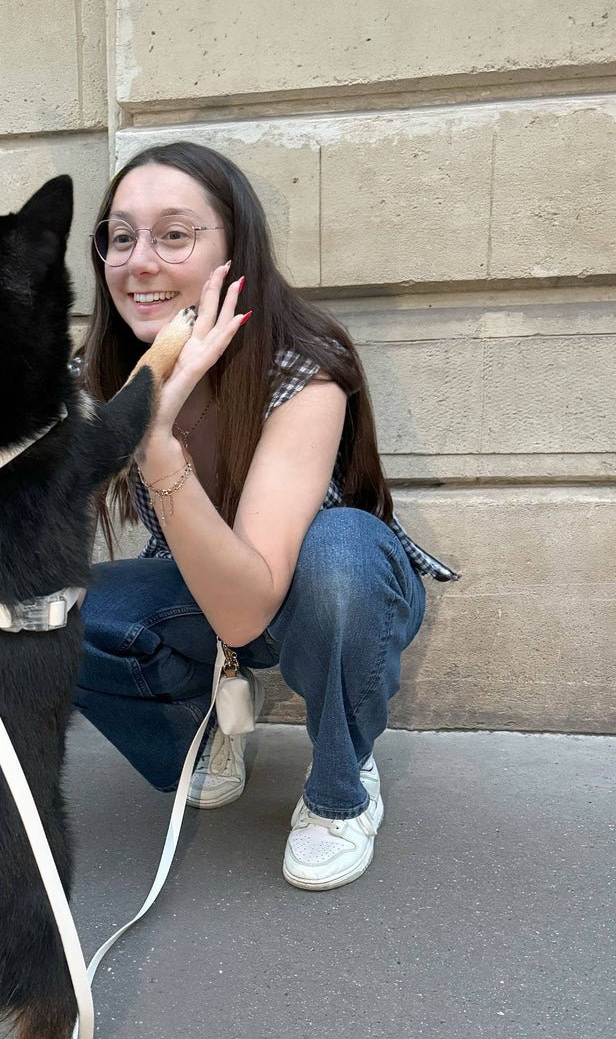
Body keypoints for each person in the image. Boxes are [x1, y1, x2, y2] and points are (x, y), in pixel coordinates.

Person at [72, 141, 458, 891]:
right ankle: (202, 733)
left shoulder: (304, 368)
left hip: (324, 594)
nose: (138, 261)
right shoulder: (105, 373)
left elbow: (249, 610)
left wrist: (151, 436)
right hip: (204, 586)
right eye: (121, 237)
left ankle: (341, 790)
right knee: (50, 605)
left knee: (339, 555)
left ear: (234, 250)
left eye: (174, 235)